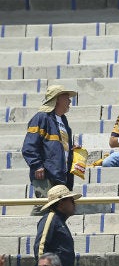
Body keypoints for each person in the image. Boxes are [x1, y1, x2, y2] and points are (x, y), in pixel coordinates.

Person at [22, 85, 77, 215]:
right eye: (66, 98)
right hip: (45, 174)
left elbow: (60, 147)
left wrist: (72, 150)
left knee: (56, 211)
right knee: (44, 208)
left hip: (61, 174)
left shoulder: (63, 120)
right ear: (57, 99)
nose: (70, 101)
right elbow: (29, 146)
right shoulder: (41, 117)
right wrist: (37, 165)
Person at [34, 184, 81, 266]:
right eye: (71, 200)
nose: (74, 203)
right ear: (60, 203)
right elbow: (40, 248)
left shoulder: (59, 221)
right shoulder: (50, 219)